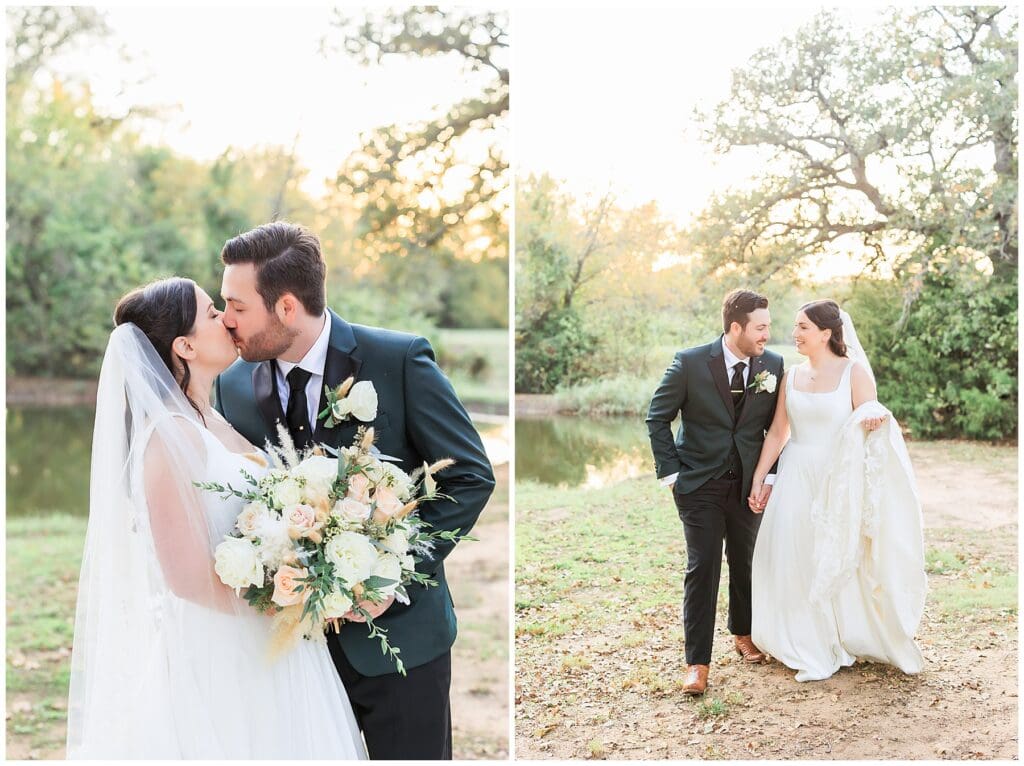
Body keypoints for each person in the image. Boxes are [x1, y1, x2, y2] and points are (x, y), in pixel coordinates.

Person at [213, 221, 495, 759]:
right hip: (292, 656)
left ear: (287, 307)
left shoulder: (398, 360)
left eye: (237, 305)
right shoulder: (231, 388)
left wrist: (393, 573)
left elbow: (469, 475)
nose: (226, 320)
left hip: (401, 647)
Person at [67, 278, 366, 758]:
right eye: (212, 313)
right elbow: (185, 578)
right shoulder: (169, 435)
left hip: (271, 640)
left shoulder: (213, 419)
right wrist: (292, 597)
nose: (227, 319)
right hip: (224, 651)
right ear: (184, 346)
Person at [749, 299, 926, 681]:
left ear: (826, 333)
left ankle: (842, 635)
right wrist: (761, 476)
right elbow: (779, 432)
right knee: (796, 556)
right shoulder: (791, 377)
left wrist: (872, 416)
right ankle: (806, 641)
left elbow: (870, 417)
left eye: (802, 327)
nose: (794, 334)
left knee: (833, 553)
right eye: (795, 327)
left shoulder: (854, 372)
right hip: (796, 473)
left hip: (836, 479)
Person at [646, 289, 785, 695]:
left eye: (768, 327)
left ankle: (743, 632)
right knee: (702, 568)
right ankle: (697, 663)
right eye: (760, 328)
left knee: (745, 562)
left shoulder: (773, 365)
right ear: (735, 327)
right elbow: (658, 418)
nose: (766, 335)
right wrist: (672, 475)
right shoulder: (690, 363)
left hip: (748, 485)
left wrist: (769, 477)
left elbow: (775, 431)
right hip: (698, 484)